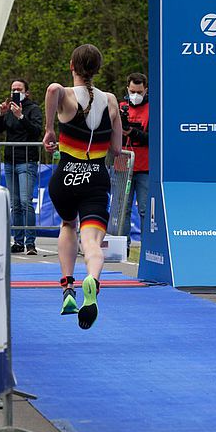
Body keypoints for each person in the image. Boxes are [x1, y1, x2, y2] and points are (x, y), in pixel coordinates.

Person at [43, 44, 122, 329]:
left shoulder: (66, 95)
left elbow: (52, 89)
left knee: (67, 225)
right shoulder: (111, 101)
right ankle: (94, 280)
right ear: (97, 69)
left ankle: (67, 289)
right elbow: (116, 148)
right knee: (91, 241)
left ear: (72, 66)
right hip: (95, 177)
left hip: (65, 176)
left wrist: (50, 128)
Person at [0, 79, 43, 254]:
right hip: (10, 161)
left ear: (26, 93)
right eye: (13, 89)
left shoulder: (33, 109)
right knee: (14, 204)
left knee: (25, 202)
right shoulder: (9, 109)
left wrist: (21, 117)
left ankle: (30, 243)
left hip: (27, 161)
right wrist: (1, 115)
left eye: (19, 89)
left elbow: (36, 131)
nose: (16, 92)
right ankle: (18, 241)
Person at [118, 72, 150, 234]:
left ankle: (147, 246)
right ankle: (123, 247)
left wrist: (131, 132)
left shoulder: (153, 109)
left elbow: (154, 138)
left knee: (145, 210)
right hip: (122, 166)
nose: (135, 95)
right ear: (127, 89)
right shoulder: (120, 106)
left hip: (145, 167)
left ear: (145, 90)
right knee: (123, 210)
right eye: (132, 92)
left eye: (139, 92)